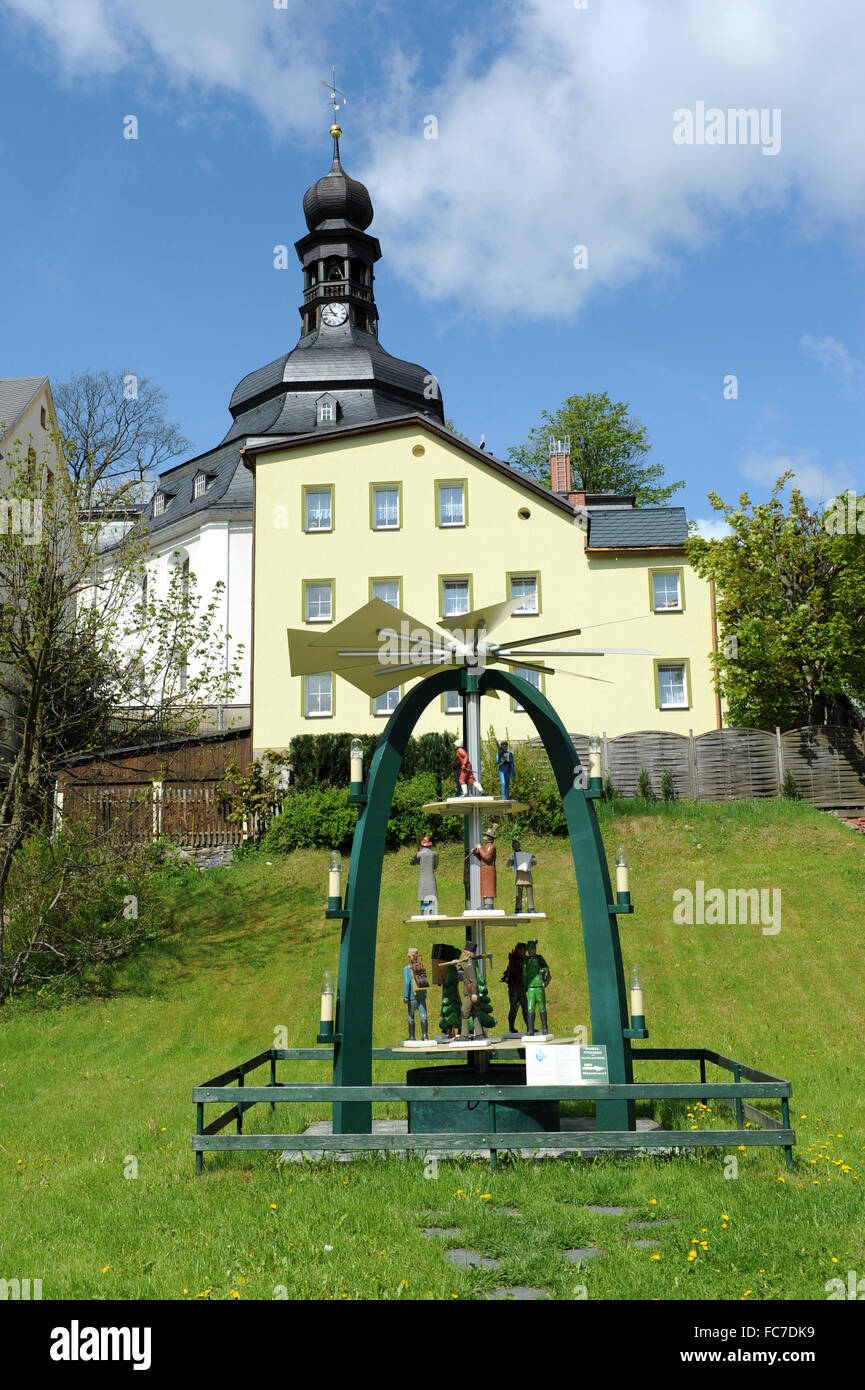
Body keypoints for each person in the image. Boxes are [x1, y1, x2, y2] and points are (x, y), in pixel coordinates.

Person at [522, 939, 552, 1036]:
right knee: (530, 1007)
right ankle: (530, 1030)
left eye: (533, 949)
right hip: (530, 987)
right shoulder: (526, 960)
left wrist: (543, 970)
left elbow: (546, 967)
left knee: (541, 1006)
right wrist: (524, 985)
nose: (532, 951)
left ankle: (545, 1028)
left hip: (539, 985)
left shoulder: (539, 958)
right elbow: (524, 974)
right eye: (530, 949)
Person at [500, 941, 529, 1034]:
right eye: (523, 950)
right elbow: (515, 972)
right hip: (514, 987)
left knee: (525, 1007)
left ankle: (529, 1027)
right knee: (514, 1008)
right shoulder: (515, 960)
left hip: (521, 987)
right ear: (519, 950)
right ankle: (511, 1027)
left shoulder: (520, 959)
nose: (525, 952)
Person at [403, 948, 430, 1042]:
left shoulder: (406, 969)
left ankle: (412, 1036)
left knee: (411, 1016)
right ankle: (425, 1035)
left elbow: (407, 983)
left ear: (409, 956)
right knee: (423, 1015)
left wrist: (405, 996)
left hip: (412, 997)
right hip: (421, 995)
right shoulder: (421, 966)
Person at [507, 838, 537, 914]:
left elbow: (534, 862)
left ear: (519, 846)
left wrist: (531, 861)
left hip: (527, 874)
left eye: (517, 845)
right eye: (514, 846)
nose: (516, 847)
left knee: (529, 890)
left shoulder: (525, 854)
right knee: (518, 892)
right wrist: (511, 861)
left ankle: (531, 908)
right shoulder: (512, 856)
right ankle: (518, 908)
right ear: (512, 847)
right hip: (519, 876)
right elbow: (508, 865)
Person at [410, 835, 438, 914]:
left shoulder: (419, 854)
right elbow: (435, 866)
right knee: (431, 897)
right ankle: (432, 913)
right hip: (431, 879)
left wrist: (417, 857)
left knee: (423, 897)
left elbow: (412, 863)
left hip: (422, 879)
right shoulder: (434, 854)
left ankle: (424, 912)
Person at [472, 829, 497, 908]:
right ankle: (486, 904)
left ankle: (489, 904)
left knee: (488, 886)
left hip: (488, 870)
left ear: (489, 837)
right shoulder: (487, 846)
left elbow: (486, 857)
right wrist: (476, 854)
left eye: (485, 836)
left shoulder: (490, 846)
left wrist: (479, 848)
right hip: (485, 869)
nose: (484, 837)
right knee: (485, 886)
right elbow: (482, 859)